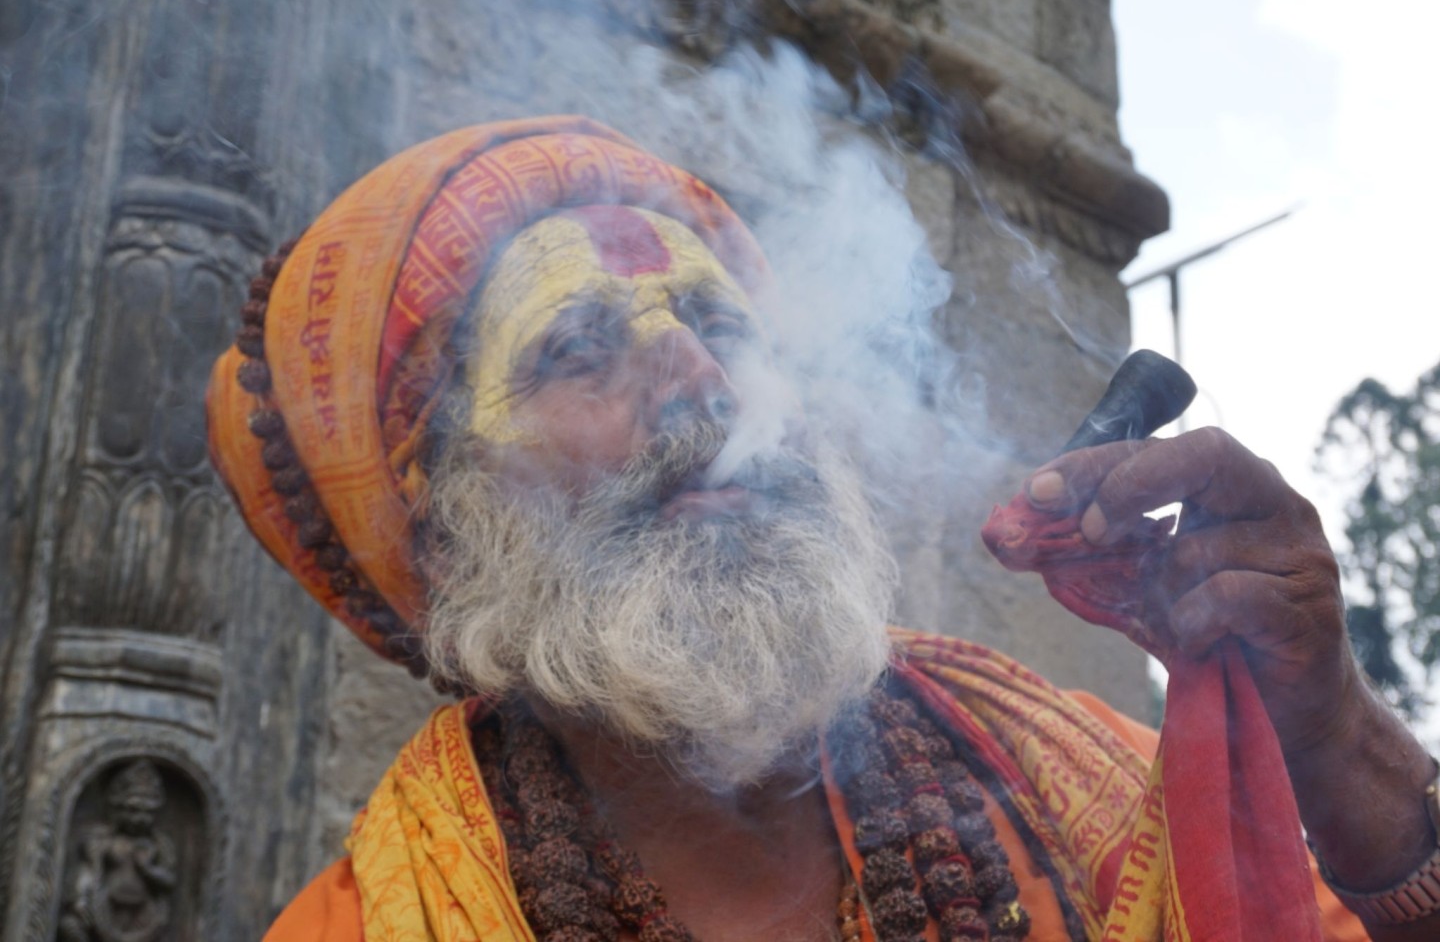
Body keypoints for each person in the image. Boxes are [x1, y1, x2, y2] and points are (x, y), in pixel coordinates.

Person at [208, 117, 1437, 941]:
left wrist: (1332, 730)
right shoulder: (374, 918)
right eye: (580, 350)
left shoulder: (1079, 791)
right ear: (451, 512)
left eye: (721, 326)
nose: (702, 383)